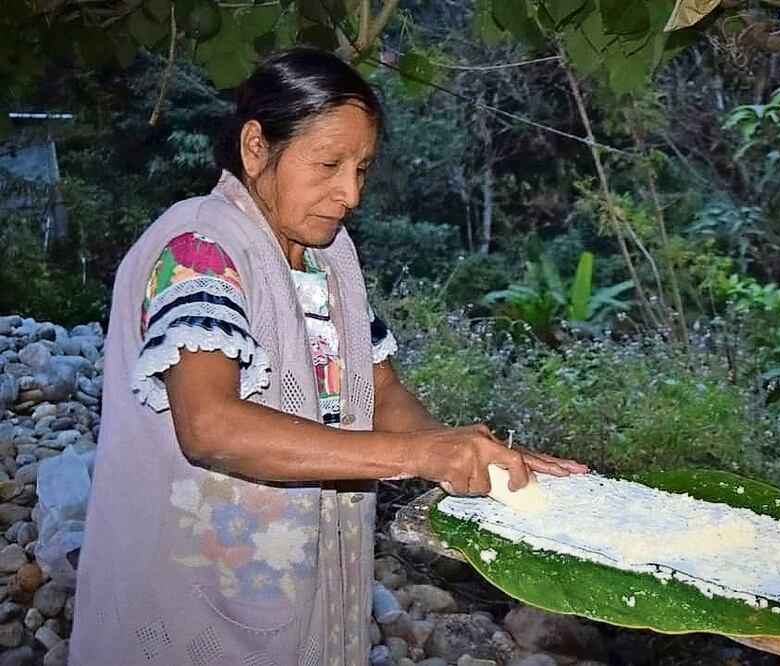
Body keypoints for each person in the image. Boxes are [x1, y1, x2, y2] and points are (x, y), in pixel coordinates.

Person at [68, 46, 587, 665]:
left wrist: (472, 458)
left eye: (362, 169)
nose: (350, 193)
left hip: (304, 576)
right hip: (192, 595)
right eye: (328, 164)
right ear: (255, 147)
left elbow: (380, 391)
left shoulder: (329, 259)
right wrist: (418, 454)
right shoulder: (199, 248)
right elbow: (208, 425)